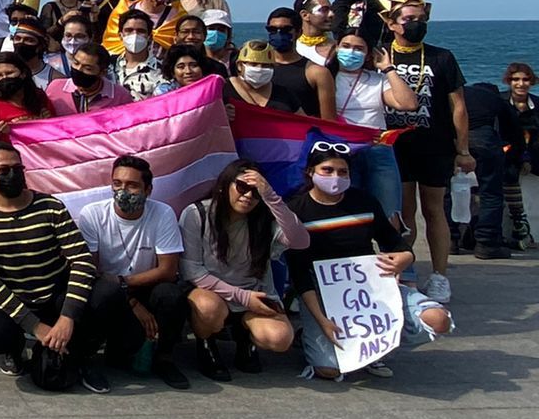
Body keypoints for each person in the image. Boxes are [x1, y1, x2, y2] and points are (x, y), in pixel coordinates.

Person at [288, 144, 452, 380]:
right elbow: (299, 273)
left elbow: (394, 242)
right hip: (319, 292)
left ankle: (379, 348)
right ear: (310, 172)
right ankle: (311, 336)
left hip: (371, 286)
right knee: (328, 370)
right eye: (327, 170)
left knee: (437, 319)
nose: (335, 177)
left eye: (342, 172)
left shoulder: (364, 201)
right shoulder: (296, 210)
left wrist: (404, 258)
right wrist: (322, 321)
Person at [0, 141, 106, 389]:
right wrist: (35, 326)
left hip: (55, 295)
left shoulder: (50, 206)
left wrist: (67, 317)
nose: (12, 175)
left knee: (107, 294)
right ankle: (15, 349)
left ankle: (82, 353)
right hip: (15, 298)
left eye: (17, 168)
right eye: (3, 170)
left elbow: (82, 260)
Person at [381, 0, 471, 304]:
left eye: (421, 19)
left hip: (435, 145)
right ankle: (406, 274)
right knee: (404, 213)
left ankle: (440, 275)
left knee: (434, 210)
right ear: (392, 24)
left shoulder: (441, 57)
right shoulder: (382, 55)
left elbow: (458, 106)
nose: (416, 24)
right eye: (409, 19)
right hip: (396, 145)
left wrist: (463, 149)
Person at [181, 161, 308, 379]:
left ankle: (245, 338)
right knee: (207, 308)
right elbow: (192, 271)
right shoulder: (197, 213)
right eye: (242, 187)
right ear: (224, 186)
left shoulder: (266, 217)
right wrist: (244, 298)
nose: (248, 196)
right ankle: (206, 344)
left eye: (256, 191)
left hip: (255, 293)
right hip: (212, 293)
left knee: (280, 338)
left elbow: (300, 241)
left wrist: (271, 197)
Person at [77, 155, 191, 390]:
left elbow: (168, 271)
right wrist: (130, 301)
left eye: (132, 185)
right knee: (102, 293)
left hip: (144, 287)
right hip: (109, 293)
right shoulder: (93, 214)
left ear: (148, 190)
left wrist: (124, 283)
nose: (123, 191)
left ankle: (164, 358)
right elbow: (91, 270)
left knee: (171, 295)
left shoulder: (163, 213)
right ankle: (86, 358)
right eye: (117, 183)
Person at [328, 29, 416, 228]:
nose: (351, 52)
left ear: (368, 54)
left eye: (359, 48)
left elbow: (408, 103)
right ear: (337, 47)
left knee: (390, 213)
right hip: (341, 151)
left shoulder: (377, 80)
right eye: (346, 46)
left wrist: (388, 69)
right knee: (348, 215)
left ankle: (392, 246)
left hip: (378, 149)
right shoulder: (326, 77)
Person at [463, 81, 524, 260]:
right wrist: (513, 162)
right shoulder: (496, 100)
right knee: (491, 193)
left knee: (446, 192)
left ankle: (451, 239)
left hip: (453, 138)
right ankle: (487, 243)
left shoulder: (462, 93)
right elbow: (515, 134)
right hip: (483, 140)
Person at [0, 51, 54, 152]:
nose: (5, 78)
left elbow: (57, 135)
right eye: (0, 75)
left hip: (39, 155)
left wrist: (47, 123)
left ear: (23, 73)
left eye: (9, 73)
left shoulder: (39, 97)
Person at [264, 7, 336, 119]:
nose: (278, 34)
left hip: (300, 129)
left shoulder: (317, 73)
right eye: (272, 29)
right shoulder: (257, 68)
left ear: (299, 32)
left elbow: (329, 121)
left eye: (286, 29)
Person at [501, 63, 536, 248]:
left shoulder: (537, 105)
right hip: (508, 153)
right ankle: (519, 221)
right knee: (509, 171)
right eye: (516, 79)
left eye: (525, 79)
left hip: (533, 153)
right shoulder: (499, 102)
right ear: (509, 81)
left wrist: (527, 157)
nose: (521, 84)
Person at [47, 43, 132, 116]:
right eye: (76, 63)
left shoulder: (120, 96)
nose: (79, 69)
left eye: (87, 68)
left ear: (103, 72)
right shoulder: (55, 88)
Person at [225, 40, 304, 113]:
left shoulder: (285, 94)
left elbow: (304, 121)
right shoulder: (223, 89)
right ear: (239, 66)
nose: (259, 69)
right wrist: (222, 114)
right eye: (253, 64)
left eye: (265, 65)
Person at [112, 10, 164, 100]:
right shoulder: (109, 65)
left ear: (150, 37)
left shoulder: (163, 70)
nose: (135, 35)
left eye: (141, 31)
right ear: (120, 35)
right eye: (129, 30)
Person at [291, 0, 337, 64]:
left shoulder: (339, 46)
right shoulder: (293, 49)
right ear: (305, 15)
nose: (331, 14)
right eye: (324, 10)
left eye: (331, 10)